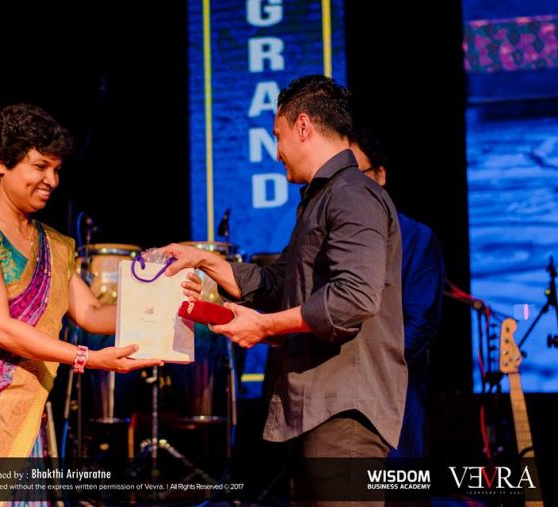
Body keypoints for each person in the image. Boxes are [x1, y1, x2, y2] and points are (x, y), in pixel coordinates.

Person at [161, 76, 407, 501]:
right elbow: (278, 284)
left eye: (278, 136)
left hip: (343, 410)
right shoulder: (322, 199)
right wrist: (205, 260)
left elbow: (352, 298)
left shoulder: (352, 195)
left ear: (304, 126)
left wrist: (265, 327)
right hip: (317, 408)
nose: (276, 152)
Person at [0, 104, 201, 467]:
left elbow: (91, 312)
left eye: (56, 169)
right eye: (40, 166)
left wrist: (168, 304)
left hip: (22, 399)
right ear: (1, 161)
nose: (51, 180)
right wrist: (89, 358)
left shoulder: (51, 244)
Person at [350, 127, 445, 458]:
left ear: (380, 175)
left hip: (394, 406)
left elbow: (418, 326)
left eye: (356, 176)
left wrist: (355, 368)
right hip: (333, 410)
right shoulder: (327, 239)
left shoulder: (417, 239)